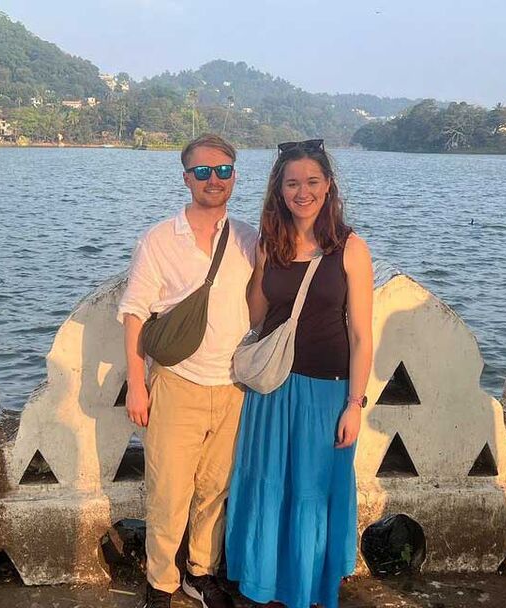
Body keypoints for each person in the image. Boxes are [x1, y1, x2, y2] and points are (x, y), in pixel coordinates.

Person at [225, 139, 374, 608]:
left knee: (312, 492)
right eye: (292, 183)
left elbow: (361, 336)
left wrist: (355, 404)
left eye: (311, 182)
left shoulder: (350, 248)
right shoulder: (272, 243)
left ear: (328, 186)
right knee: (268, 486)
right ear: (279, 190)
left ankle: (308, 588)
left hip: (326, 394)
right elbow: (257, 315)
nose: (302, 192)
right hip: (272, 390)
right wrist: (253, 273)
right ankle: (265, 585)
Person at [118, 133, 258, 608]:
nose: (213, 180)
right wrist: (136, 384)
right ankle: (161, 582)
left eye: (222, 170)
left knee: (215, 488)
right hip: (177, 384)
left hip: (234, 385)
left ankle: (201, 571)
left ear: (234, 176)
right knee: (168, 491)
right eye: (202, 171)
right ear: (186, 178)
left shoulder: (248, 238)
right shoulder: (160, 239)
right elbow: (134, 313)